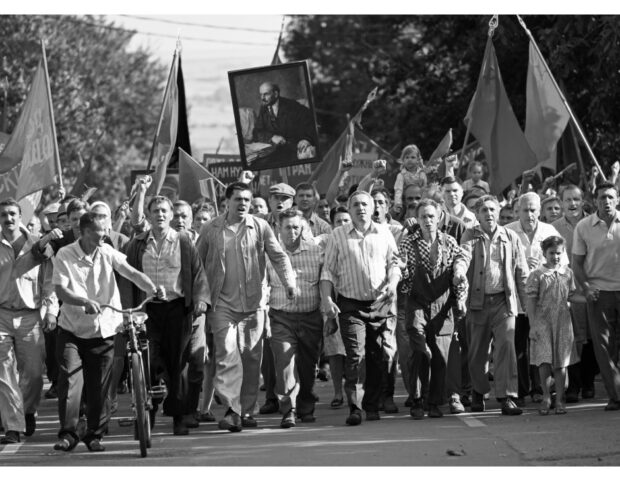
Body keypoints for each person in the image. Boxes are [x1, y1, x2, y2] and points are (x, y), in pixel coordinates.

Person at [52, 213, 162, 452]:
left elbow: (130, 272)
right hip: (72, 329)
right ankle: (69, 434)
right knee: (71, 382)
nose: (103, 238)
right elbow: (60, 290)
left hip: (104, 330)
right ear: (83, 232)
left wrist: (153, 288)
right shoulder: (65, 254)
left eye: (105, 233)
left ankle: (94, 435)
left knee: (100, 387)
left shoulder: (106, 251)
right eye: (98, 234)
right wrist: (82, 301)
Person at [196, 182, 296, 432]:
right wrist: (200, 296)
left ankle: (247, 411)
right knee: (228, 354)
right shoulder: (211, 229)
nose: (242, 204)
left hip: (253, 304)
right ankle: (232, 410)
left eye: (247, 200)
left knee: (252, 359)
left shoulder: (259, 227)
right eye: (238, 199)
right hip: (221, 305)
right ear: (226, 202)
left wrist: (289, 283)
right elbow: (197, 265)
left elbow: (278, 256)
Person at [122, 194, 208, 436]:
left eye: (164, 211)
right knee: (147, 361)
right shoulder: (136, 244)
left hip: (177, 308)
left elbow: (198, 274)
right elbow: (127, 278)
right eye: (155, 211)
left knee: (177, 363)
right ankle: (145, 414)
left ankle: (178, 416)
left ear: (171, 215)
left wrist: (201, 299)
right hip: (147, 310)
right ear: (148, 216)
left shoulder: (183, 241)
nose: (160, 215)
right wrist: (128, 311)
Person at [320, 190, 401, 425]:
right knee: (355, 355)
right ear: (350, 209)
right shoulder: (338, 235)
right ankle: (355, 407)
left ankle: (372, 404)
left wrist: (393, 285)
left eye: (365, 204)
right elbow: (328, 271)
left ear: (373, 207)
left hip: (379, 303)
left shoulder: (384, 233)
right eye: (355, 204)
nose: (361, 208)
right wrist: (327, 299)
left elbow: (394, 264)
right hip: (350, 304)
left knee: (377, 356)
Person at [453, 195, 529, 415]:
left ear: (498, 212)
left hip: (503, 302)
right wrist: (458, 272)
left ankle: (507, 396)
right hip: (477, 302)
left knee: (506, 347)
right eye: (484, 210)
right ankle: (479, 391)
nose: (489, 214)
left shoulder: (510, 236)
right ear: (477, 214)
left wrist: (526, 307)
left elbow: (522, 273)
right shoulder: (471, 234)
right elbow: (462, 256)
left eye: (492, 210)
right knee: (477, 352)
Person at [400, 199, 467, 419]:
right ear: (417, 219)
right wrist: (402, 274)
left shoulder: (449, 242)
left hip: (443, 305)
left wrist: (460, 301)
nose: (427, 221)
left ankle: (435, 402)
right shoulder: (408, 243)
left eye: (431, 216)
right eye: (423, 217)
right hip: (417, 302)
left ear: (439, 218)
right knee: (420, 350)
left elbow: (459, 273)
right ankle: (418, 399)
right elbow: (402, 274)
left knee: (440, 355)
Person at [0, 200, 58, 445]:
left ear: (20, 216)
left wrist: (52, 312)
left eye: (12, 213)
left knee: (34, 374)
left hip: (30, 315)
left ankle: (27, 410)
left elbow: (49, 282)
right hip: (1, 315)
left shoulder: (37, 244)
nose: (8, 218)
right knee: (4, 372)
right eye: (3, 215)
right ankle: (12, 426)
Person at [505, 192, 567, 406]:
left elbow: (563, 263)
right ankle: (521, 390)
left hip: (545, 303)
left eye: (533, 210)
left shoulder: (549, 231)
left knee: (542, 347)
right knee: (519, 346)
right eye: (525, 210)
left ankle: (541, 389)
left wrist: (541, 264)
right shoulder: (509, 231)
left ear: (539, 211)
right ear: (517, 211)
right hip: (517, 299)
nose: (529, 214)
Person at [267, 209, 324, 428]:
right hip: (282, 316)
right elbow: (264, 284)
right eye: (287, 227)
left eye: (296, 227)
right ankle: (287, 410)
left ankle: (306, 407)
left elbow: (325, 282)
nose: (291, 232)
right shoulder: (270, 253)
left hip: (311, 316)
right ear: (278, 229)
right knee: (284, 362)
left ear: (303, 229)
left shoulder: (316, 251)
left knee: (308, 366)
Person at [572, 182, 620, 411]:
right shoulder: (583, 227)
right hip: (599, 294)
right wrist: (586, 287)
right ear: (595, 201)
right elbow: (577, 264)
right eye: (602, 198)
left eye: (611, 197)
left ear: (617, 199)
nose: (607, 201)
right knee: (604, 347)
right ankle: (616, 396)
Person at [552, 184, 599, 402]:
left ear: (583, 202)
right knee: (571, 339)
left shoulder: (593, 223)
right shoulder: (553, 228)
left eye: (576, 199)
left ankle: (589, 383)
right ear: (561, 203)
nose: (572, 204)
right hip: (564, 292)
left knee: (591, 337)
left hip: (590, 287)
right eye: (567, 200)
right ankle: (574, 386)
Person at [525, 236, 579, 415]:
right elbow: (531, 301)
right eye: (551, 253)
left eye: (558, 253)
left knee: (561, 362)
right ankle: (546, 395)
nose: (555, 257)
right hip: (542, 322)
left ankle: (560, 399)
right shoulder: (537, 274)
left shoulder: (568, 273)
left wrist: (589, 297)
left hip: (563, 321)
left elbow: (571, 296)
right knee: (544, 360)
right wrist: (533, 325)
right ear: (544, 253)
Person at [252, 82, 316, 163]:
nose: (262, 98)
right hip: (275, 151)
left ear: (275, 94)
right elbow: (257, 131)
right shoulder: (264, 108)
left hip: (294, 149)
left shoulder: (292, 105)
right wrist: (272, 137)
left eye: (266, 94)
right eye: (261, 94)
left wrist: (306, 139)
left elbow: (310, 121)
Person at [393, 145, 428, 215]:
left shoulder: (422, 174)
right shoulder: (401, 175)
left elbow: (425, 189)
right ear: (403, 160)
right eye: (407, 157)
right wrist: (398, 203)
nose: (409, 159)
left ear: (418, 160)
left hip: (420, 202)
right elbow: (398, 190)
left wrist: (425, 203)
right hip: (406, 203)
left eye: (413, 157)